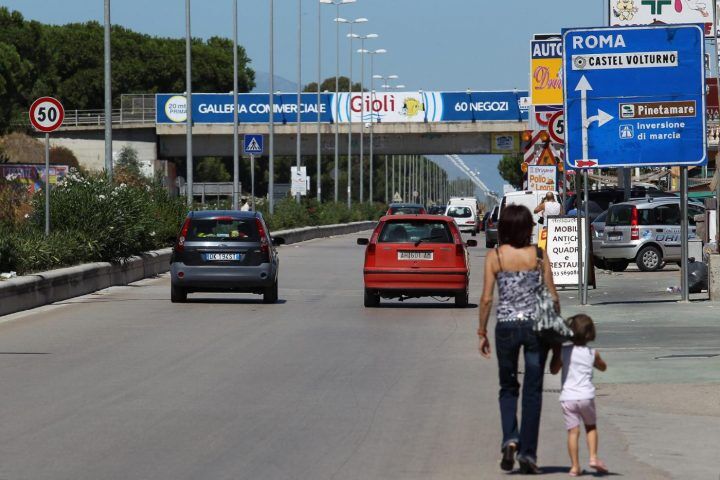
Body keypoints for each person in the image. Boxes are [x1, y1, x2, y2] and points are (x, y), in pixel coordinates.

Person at [478, 204, 560, 474]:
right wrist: (557, 339)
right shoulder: (538, 255)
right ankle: (528, 454)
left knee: (508, 386)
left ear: (503, 229)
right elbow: (553, 298)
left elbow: (487, 298)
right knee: (533, 391)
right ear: (527, 229)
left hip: (506, 329)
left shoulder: (495, 257)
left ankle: (510, 438)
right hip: (537, 329)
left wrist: (481, 332)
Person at [550, 314, 609, 477]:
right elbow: (603, 367)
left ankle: (575, 466)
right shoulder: (592, 353)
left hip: (568, 398)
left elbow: (553, 370)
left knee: (573, 432)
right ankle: (593, 457)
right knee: (590, 427)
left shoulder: (564, 351)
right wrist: (597, 363)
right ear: (590, 333)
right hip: (586, 397)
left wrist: (556, 353)